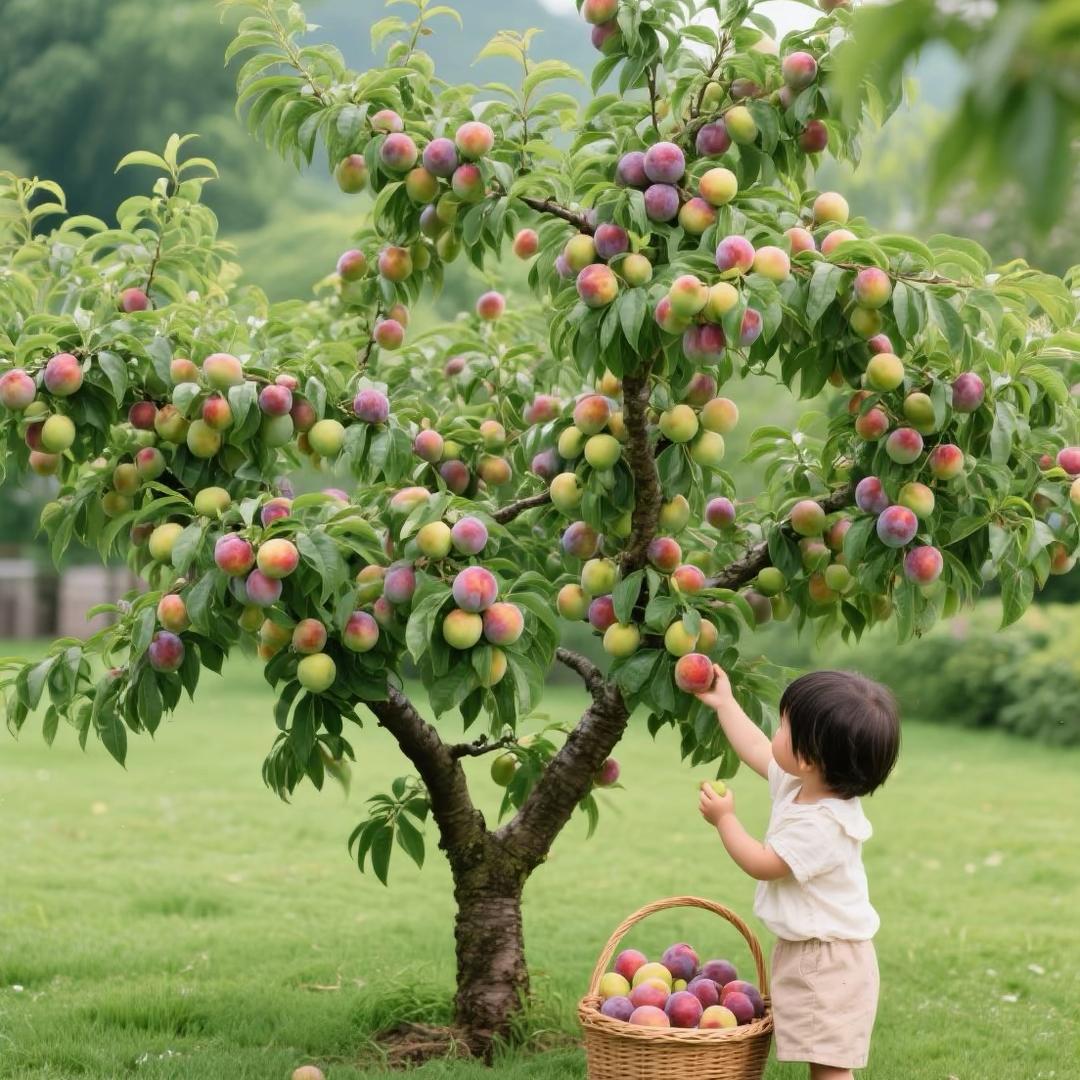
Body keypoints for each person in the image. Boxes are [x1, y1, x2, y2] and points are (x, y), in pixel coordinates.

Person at [695, 665, 901, 1080]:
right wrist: (725, 703)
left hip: (828, 960)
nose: (775, 731)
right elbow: (756, 747)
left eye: (784, 725)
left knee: (829, 1068)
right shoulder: (802, 784)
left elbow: (764, 863)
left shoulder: (823, 824)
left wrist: (725, 820)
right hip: (814, 950)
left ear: (807, 758)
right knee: (821, 1059)